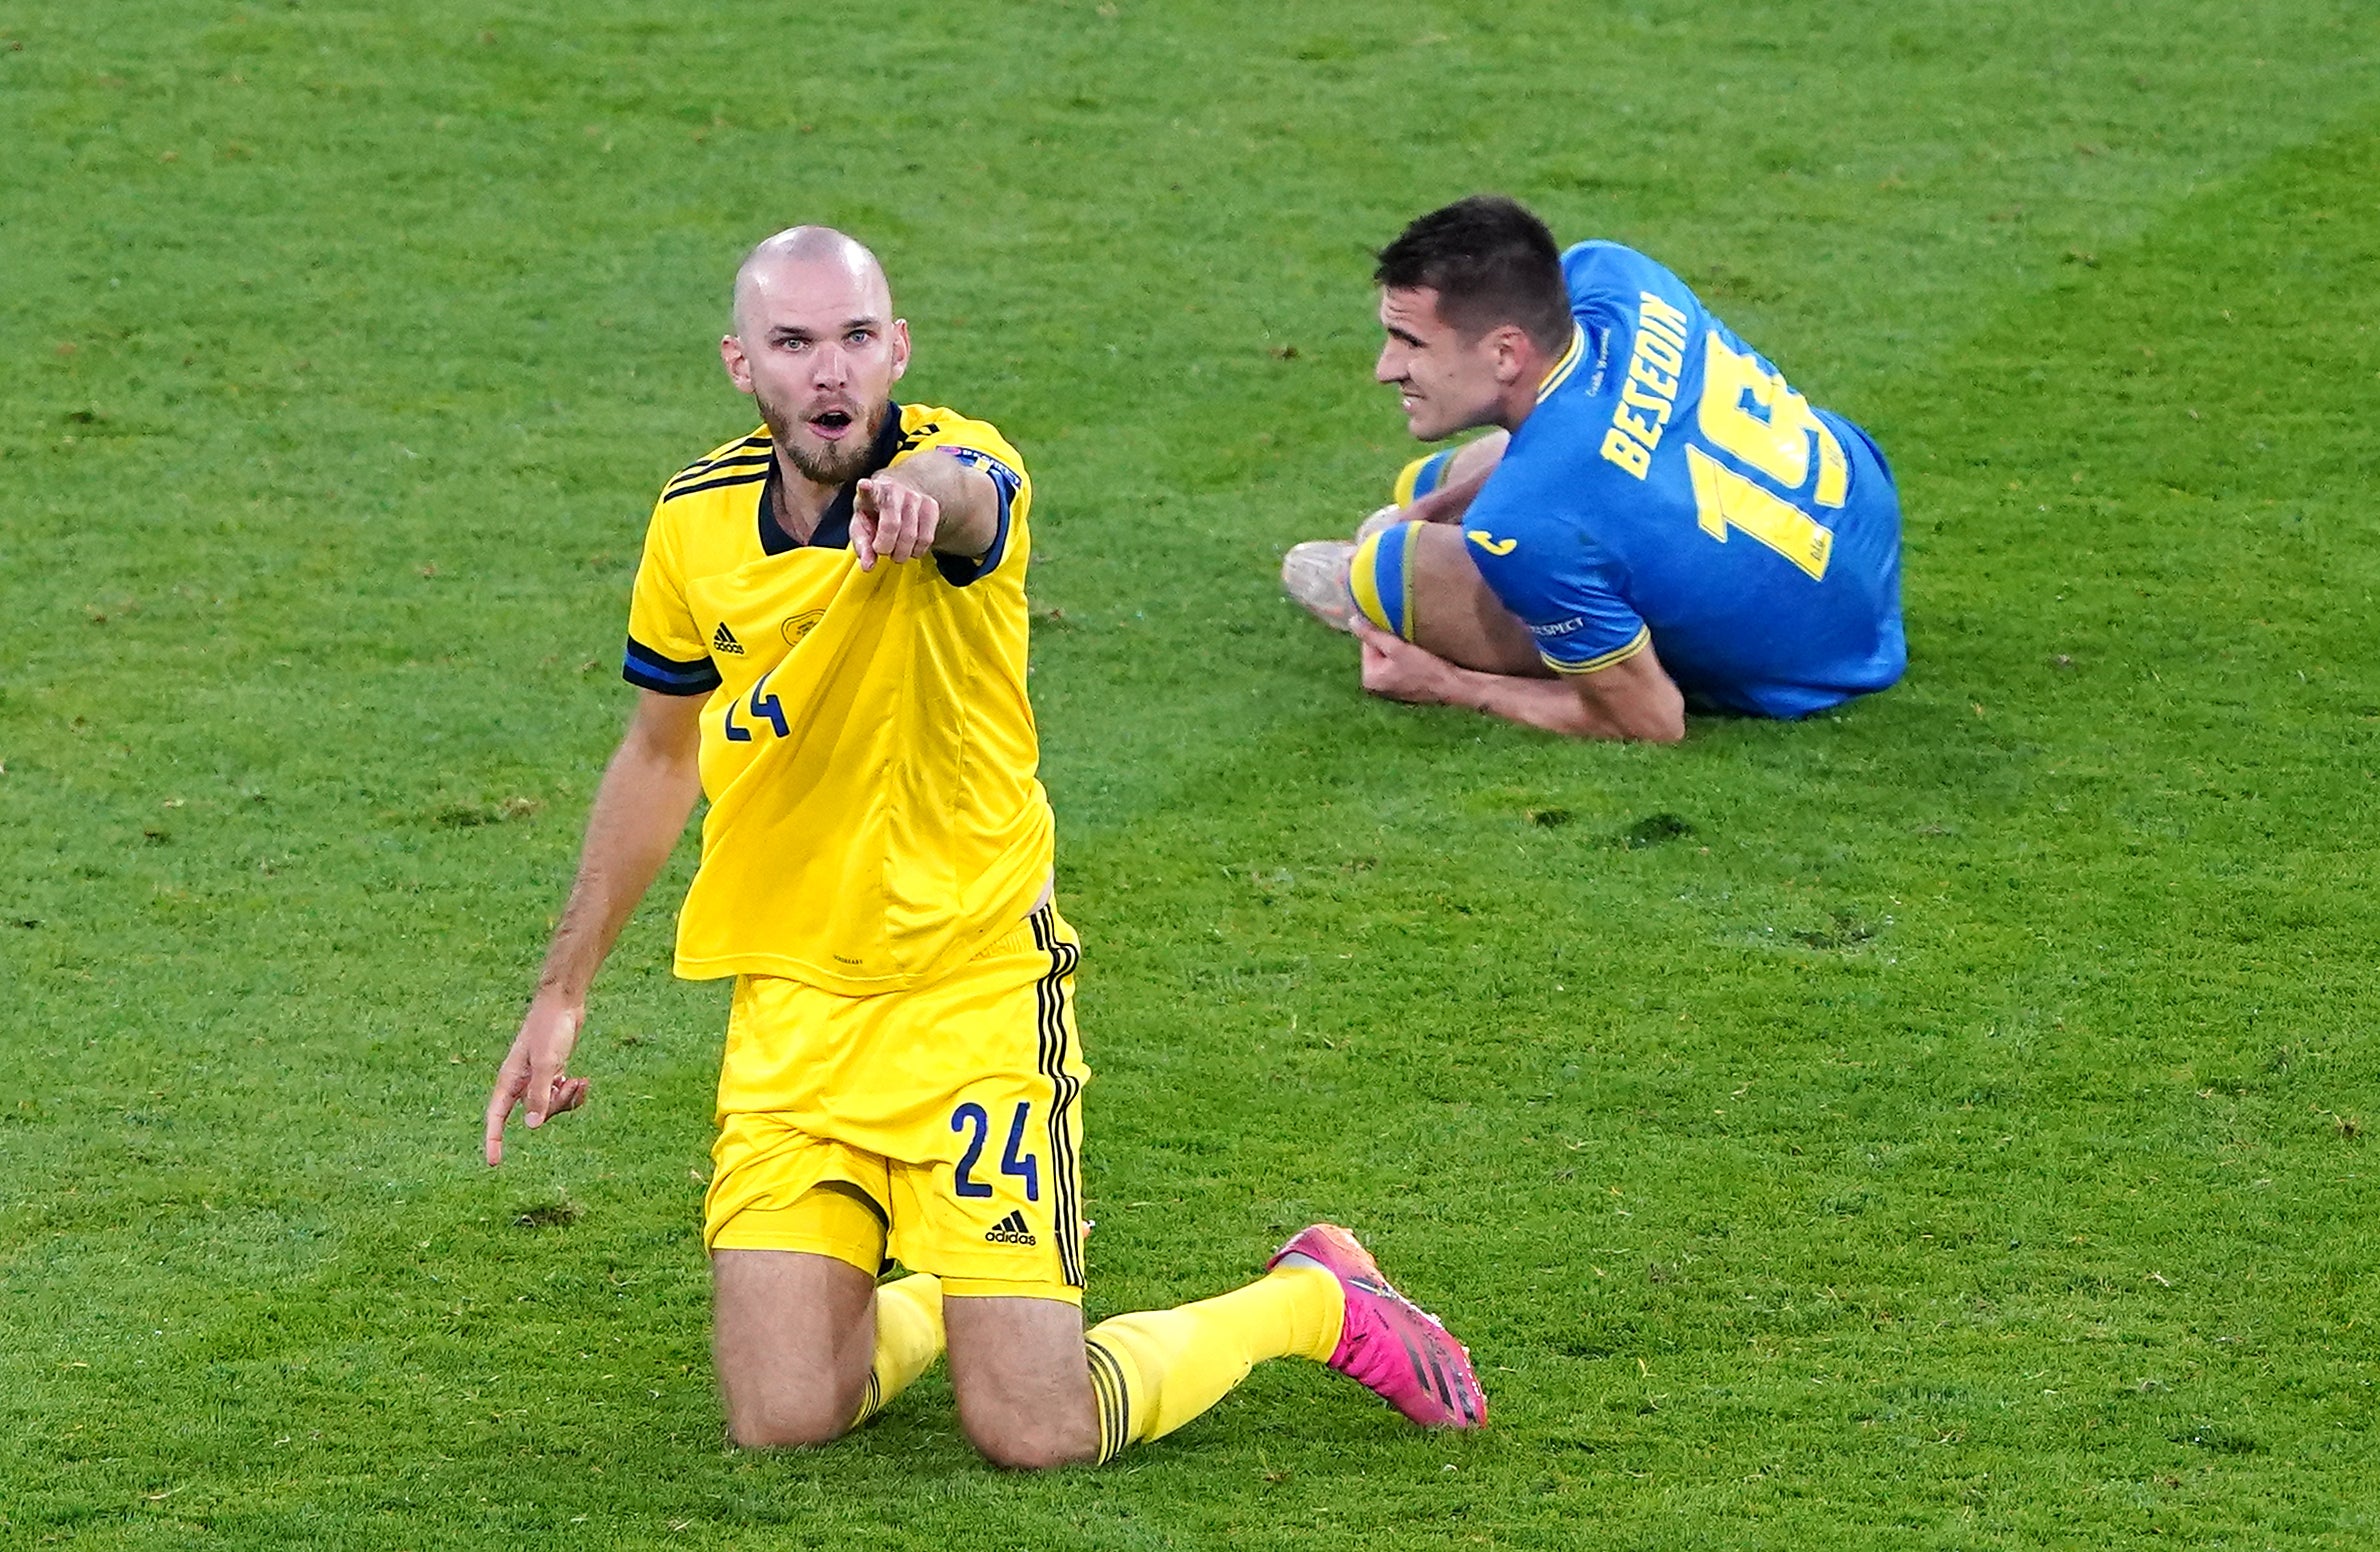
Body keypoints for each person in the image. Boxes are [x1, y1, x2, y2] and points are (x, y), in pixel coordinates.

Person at [481, 226, 1483, 1468]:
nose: (830, 372)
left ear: (895, 345)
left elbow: (969, 498)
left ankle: (1314, 1298)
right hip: (794, 1011)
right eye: (794, 344)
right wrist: (562, 989)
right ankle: (961, 1296)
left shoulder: (962, 470)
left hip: (975, 1000)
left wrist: (920, 499)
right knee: (780, 1417)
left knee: (1036, 1432)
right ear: (743, 363)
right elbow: (658, 754)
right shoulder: (692, 523)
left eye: (855, 338)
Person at [1281, 195, 1906, 741]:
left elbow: (1652, 720)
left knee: (1391, 572)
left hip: (1807, 660)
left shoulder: (1527, 520)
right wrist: (1440, 509)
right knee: (1437, 484)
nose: (1385, 368)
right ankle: (1435, 526)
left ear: (1504, 350)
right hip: (1856, 527)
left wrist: (1447, 682)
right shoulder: (1613, 271)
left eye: (1411, 342)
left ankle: (1372, 578)